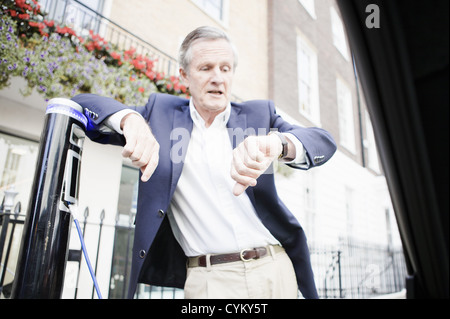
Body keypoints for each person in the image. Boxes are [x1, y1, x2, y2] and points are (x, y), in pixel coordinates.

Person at [72, 26, 336, 299]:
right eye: (206, 68)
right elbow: (81, 103)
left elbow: (323, 142)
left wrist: (278, 144)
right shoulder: (160, 116)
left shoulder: (259, 115)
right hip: (208, 281)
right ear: (184, 75)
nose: (217, 78)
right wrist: (129, 119)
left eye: (225, 68)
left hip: (274, 270)